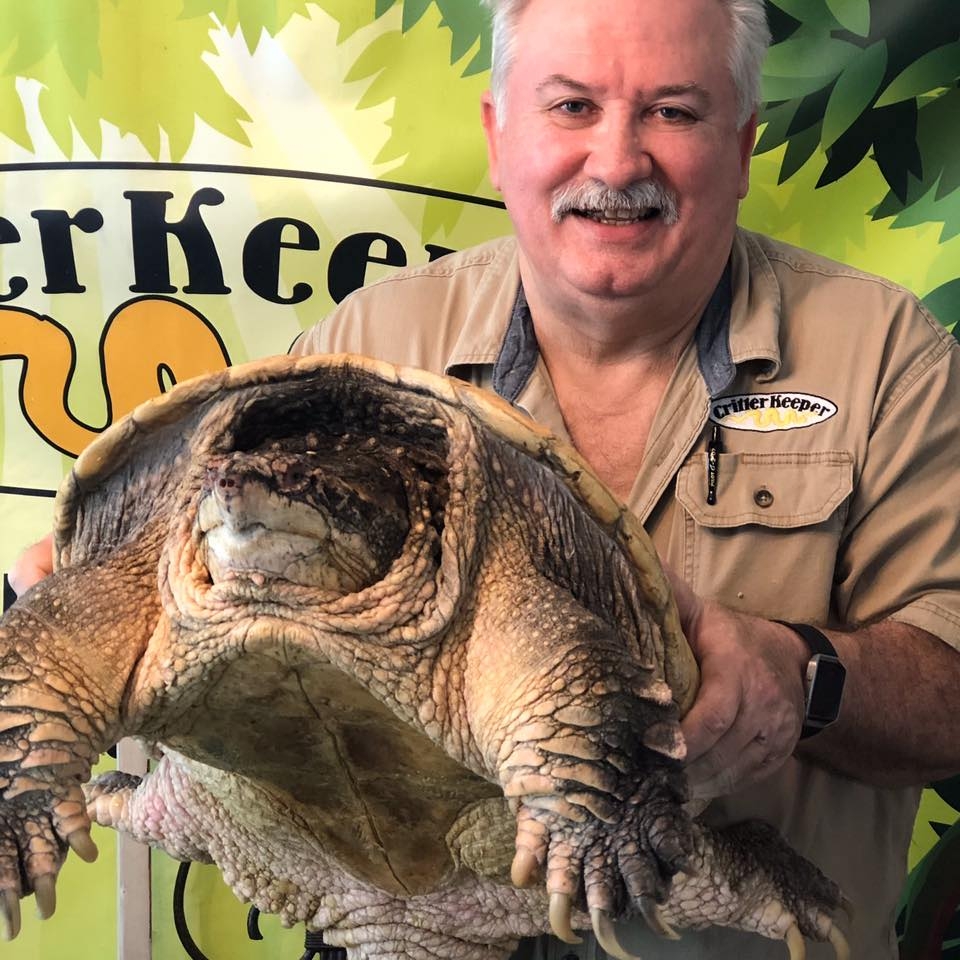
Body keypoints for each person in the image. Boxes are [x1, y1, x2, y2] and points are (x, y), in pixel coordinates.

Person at [11, 0, 960, 956]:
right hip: (373, 910)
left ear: (745, 142)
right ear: (498, 136)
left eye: (673, 111)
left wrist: (806, 680)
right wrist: (70, 646)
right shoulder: (366, 344)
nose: (619, 161)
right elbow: (77, 631)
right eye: (572, 107)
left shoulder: (880, 356)